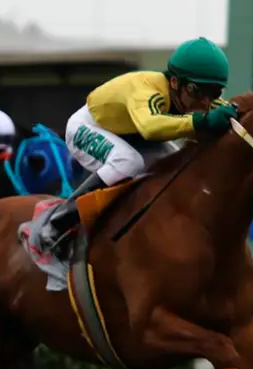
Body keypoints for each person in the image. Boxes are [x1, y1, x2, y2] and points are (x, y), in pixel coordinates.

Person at [38, 36, 239, 256]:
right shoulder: (146, 90)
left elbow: (234, 110)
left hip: (130, 135)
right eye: (196, 91)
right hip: (88, 127)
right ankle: (59, 221)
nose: (205, 102)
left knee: (178, 165)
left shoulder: (198, 97)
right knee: (126, 162)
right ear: (174, 82)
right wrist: (201, 121)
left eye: (214, 93)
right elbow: (149, 128)